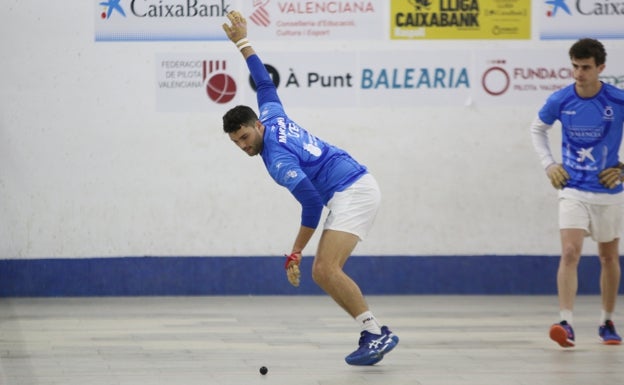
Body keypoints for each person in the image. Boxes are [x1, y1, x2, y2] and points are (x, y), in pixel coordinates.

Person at [220, 11, 399, 365]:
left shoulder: (277, 160)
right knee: (326, 270)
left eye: (244, 137)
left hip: (353, 192)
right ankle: (373, 331)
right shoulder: (273, 116)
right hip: (353, 185)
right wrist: (242, 41)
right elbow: (265, 84)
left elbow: (312, 205)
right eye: (236, 143)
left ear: (255, 126)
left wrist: (295, 251)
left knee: (323, 269)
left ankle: (377, 334)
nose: (244, 147)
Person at [530, 37, 624, 348]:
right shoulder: (560, 100)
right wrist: (548, 164)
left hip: (609, 191)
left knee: (608, 257)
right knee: (570, 252)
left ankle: (607, 321)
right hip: (572, 188)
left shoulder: (617, 100)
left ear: (601, 68)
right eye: (574, 66)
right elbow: (537, 129)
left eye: (585, 67)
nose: (578, 73)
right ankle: (566, 322)